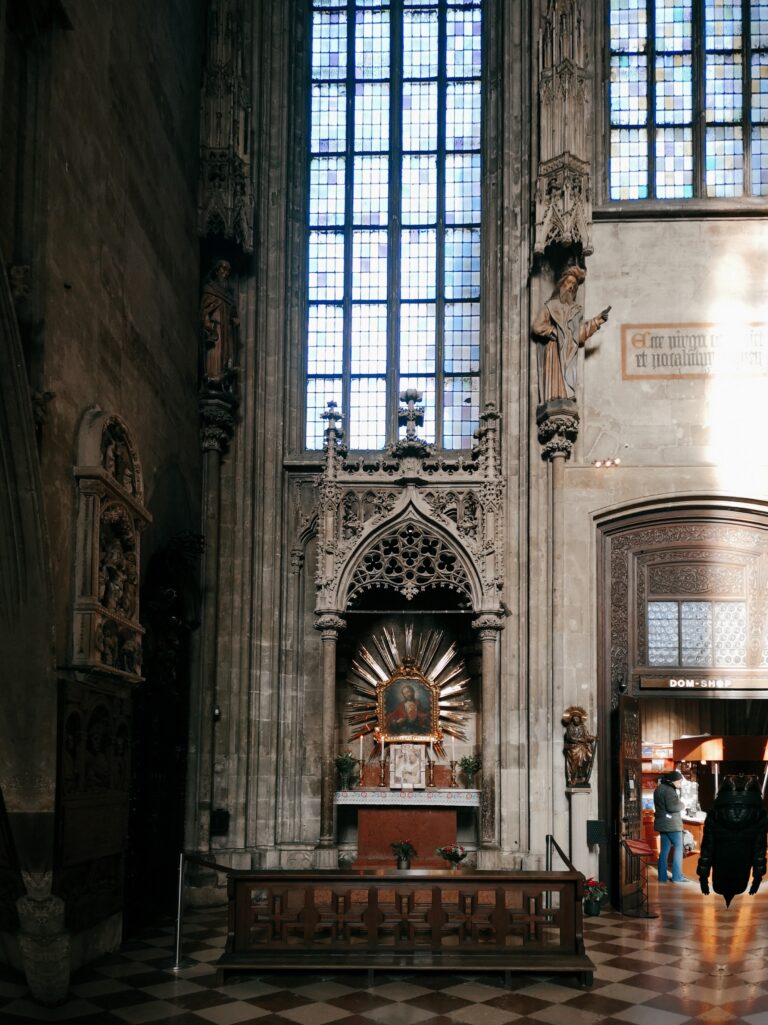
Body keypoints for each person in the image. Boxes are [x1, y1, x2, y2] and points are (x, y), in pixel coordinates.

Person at [530, 265, 611, 404]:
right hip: (554, 349)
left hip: (569, 352)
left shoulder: (576, 311)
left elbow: (578, 336)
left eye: (574, 285)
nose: (571, 287)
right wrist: (551, 331)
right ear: (561, 285)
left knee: (567, 383)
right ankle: (552, 400)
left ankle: (566, 398)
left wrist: (598, 320)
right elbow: (537, 326)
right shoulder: (550, 306)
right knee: (554, 384)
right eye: (568, 283)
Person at [697, 775, 768, 907]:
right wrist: (757, 878)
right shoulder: (759, 815)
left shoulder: (715, 814)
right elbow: (759, 849)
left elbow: (707, 848)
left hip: (719, 875)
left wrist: (703, 878)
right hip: (742, 877)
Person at [200, 258, 239, 382]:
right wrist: (207, 324)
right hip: (215, 328)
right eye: (223, 269)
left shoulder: (229, 296)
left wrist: (233, 321)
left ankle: (224, 376)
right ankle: (213, 376)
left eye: (228, 271)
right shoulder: (209, 288)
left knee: (227, 354)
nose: (226, 273)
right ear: (217, 271)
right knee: (215, 352)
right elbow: (205, 310)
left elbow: (233, 315)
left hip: (226, 331)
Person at [654, 770, 690, 883]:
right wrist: (683, 804)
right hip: (672, 825)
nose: (679, 784)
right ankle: (677, 876)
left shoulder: (659, 788)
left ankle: (662, 877)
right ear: (673, 781)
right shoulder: (669, 790)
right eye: (679, 782)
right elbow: (672, 807)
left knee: (665, 850)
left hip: (662, 823)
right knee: (679, 847)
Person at [562, 705, 596, 787]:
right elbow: (569, 737)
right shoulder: (570, 727)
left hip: (582, 747)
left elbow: (586, 736)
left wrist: (593, 738)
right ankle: (573, 778)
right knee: (574, 764)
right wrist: (578, 740)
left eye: (577, 718)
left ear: (580, 719)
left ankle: (582, 776)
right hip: (573, 747)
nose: (575, 720)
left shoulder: (583, 727)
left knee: (588, 756)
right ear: (572, 719)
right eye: (574, 718)